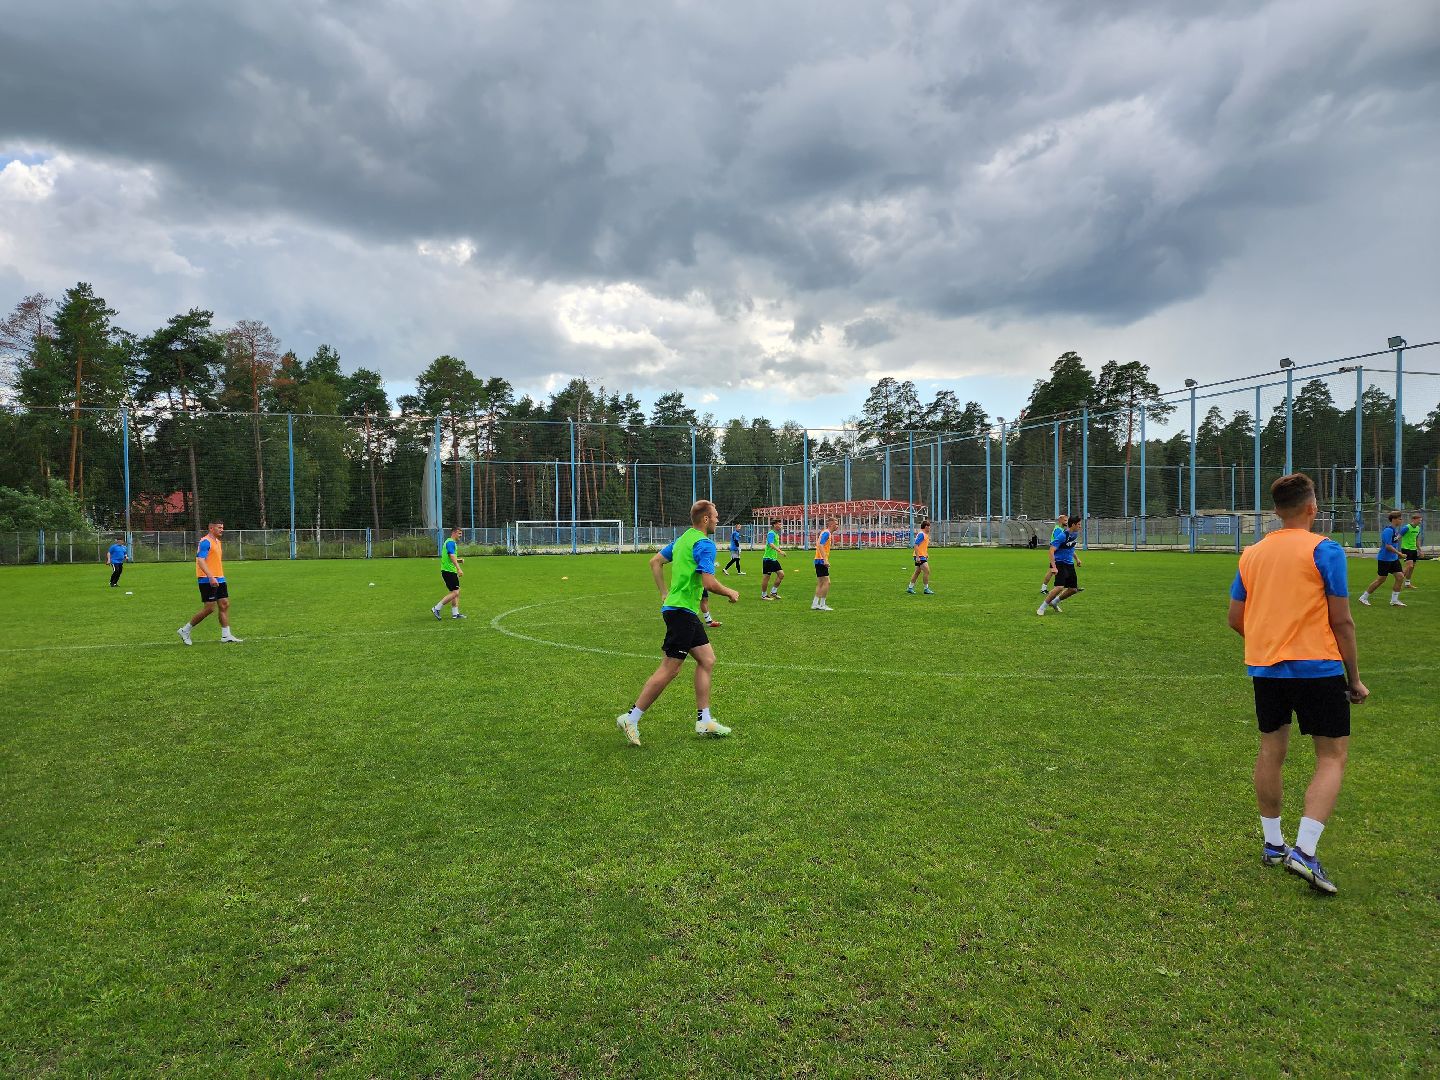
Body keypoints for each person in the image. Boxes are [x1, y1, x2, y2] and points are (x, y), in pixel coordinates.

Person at [1227, 473, 1367, 895]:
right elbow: (1341, 620)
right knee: (1331, 757)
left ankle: (1273, 845)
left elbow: (1236, 619)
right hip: (1318, 669)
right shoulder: (1325, 549)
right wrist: (1355, 679)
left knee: (1272, 749)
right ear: (1312, 507)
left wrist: (1271, 644)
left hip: (1266, 669)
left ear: (1275, 511)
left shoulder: (1250, 554)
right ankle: (1304, 851)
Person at [616, 499, 739, 747]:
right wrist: (729, 592)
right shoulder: (704, 544)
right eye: (715, 516)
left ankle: (704, 720)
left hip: (682, 610)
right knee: (670, 668)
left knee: (707, 659)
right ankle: (631, 717)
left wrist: (664, 592)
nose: (717, 519)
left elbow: (654, 562)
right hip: (682, 612)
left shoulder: (684, 539)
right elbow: (708, 583)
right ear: (705, 519)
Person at [178, 519, 242, 644]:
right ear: (211, 528)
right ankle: (185, 630)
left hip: (220, 578)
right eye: (219, 527)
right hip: (207, 579)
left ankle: (226, 635)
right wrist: (211, 577)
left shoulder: (217, 542)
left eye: (222, 527)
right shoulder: (205, 542)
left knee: (224, 604)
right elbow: (200, 560)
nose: (221, 529)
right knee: (209, 608)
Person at [1357, 511, 1406, 608]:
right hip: (1385, 559)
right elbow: (1388, 546)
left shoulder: (1394, 530)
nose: (1401, 520)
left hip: (1393, 559)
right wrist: (1399, 553)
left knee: (1400, 577)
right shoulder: (1388, 531)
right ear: (1394, 519)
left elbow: (1394, 541)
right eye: (1400, 518)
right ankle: (1363, 597)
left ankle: (1394, 600)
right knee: (1381, 580)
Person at [1036, 518, 1081, 615]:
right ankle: (1041, 608)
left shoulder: (1075, 534)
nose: (1080, 526)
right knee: (1059, 587)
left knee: (1073, 589)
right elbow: (1051, 550)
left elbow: (1071, 548)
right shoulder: (1062, 535)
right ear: (1073, 525)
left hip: (1069, 564)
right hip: (1060, 562)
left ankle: (1055, 602)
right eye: (1078, 524)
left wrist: (1077, 559)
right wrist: (1054, 566)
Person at [432, 527, 466, 620]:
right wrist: (459, 569)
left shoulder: (448, 542)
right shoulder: (451, 543)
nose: (460, 536)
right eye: (459, 533)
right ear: (454, 533)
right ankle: (436, 608)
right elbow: (451, 556)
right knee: (455, 592)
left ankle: (455, 614)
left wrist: (458, 560)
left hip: (447, 570)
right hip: (449, 571)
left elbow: (449, 557)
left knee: (454, 592)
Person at [812, 517, 838, 611]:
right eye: (836, 524)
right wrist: (825, 559)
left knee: (820, 583)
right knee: (827, 582)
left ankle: (815, 603)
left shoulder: (825, 532)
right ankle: (822, 604)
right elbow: (820, 545)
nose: (837, 526)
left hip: (818, 560)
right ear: (831, 524)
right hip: (821, 560)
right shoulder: (826, 533)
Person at [1040, 516, 1067, 594]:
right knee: (1052, 571)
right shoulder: (1058, 530)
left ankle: (1072, 586)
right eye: (1065, 520)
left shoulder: (1061, 529)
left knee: (1062, 570)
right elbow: (1057, 542)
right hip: (1057, 554)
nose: (1067, 522)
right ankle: (1043, 588)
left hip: (1060, 553)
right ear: (1060, 521)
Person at [907, 519, 934, 594]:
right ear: (925, 527)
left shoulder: (925, 535)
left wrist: (926, 554)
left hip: (922, 555)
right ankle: (926, 589)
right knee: (927, 571)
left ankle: (910, 587)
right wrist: (918, 557)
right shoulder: (922, 534)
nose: (929, 528)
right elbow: (916, 545)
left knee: (917, 572)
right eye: (928, 526)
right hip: (920, 556)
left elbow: (922, 546)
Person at [761, 521, 785, 600]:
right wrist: (780, 551)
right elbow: (771, 544)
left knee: (781, 574)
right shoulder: (771, 533)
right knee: (766, 578)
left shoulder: (776, 534)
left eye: (781, 524)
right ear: (774, 525)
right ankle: (764, 595)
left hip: (773, 559)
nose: (780, 525)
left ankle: (773, 592)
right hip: (768, 559)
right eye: (779, 524)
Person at [1400, 511, 1422, 589]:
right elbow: (1399, 537)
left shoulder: (1418, 528)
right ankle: (1399, 581)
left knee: (1412, 567)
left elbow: (1416, 539)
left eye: (1420, 520)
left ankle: (1407, 583)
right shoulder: (1406, 527)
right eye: (1419, 520)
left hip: (1413, 549)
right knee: (1409, 566)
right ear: (1414, 519)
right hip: (1406, 549)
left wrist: (1419, 550)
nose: (1420, 522)